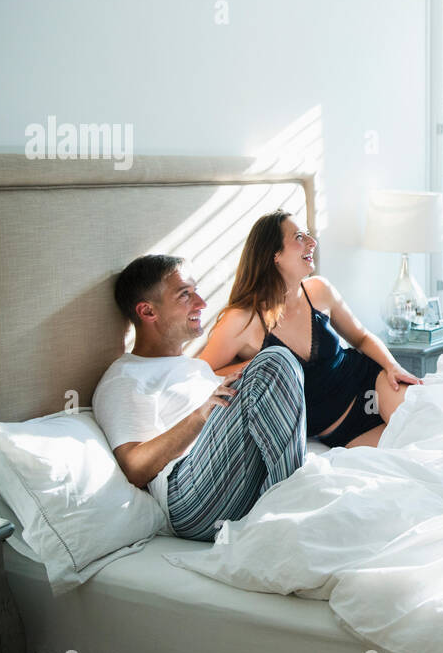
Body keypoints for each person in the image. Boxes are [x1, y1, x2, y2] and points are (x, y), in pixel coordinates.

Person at [92, 255, 308, 542]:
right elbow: (133, 468)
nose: (202, 304)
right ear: (147, 312)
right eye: (185, 295)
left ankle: (291, 499)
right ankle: (295, 506)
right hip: (188, 502)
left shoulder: (195, 367)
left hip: (230, 483)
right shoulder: (125, 378)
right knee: (276, 359)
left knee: (280, 363)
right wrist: (200, 415)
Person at [198, 210, 421, 448]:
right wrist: (260, 365)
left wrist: (391, 366)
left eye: (308, 235)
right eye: (299, 237)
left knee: (424, 438)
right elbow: (200, 372)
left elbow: (362, 337)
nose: (312, 243)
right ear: (274, 255)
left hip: (371, 384)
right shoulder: (242, 319)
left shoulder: (318, 290)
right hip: (335, 431)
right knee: (402, 462)